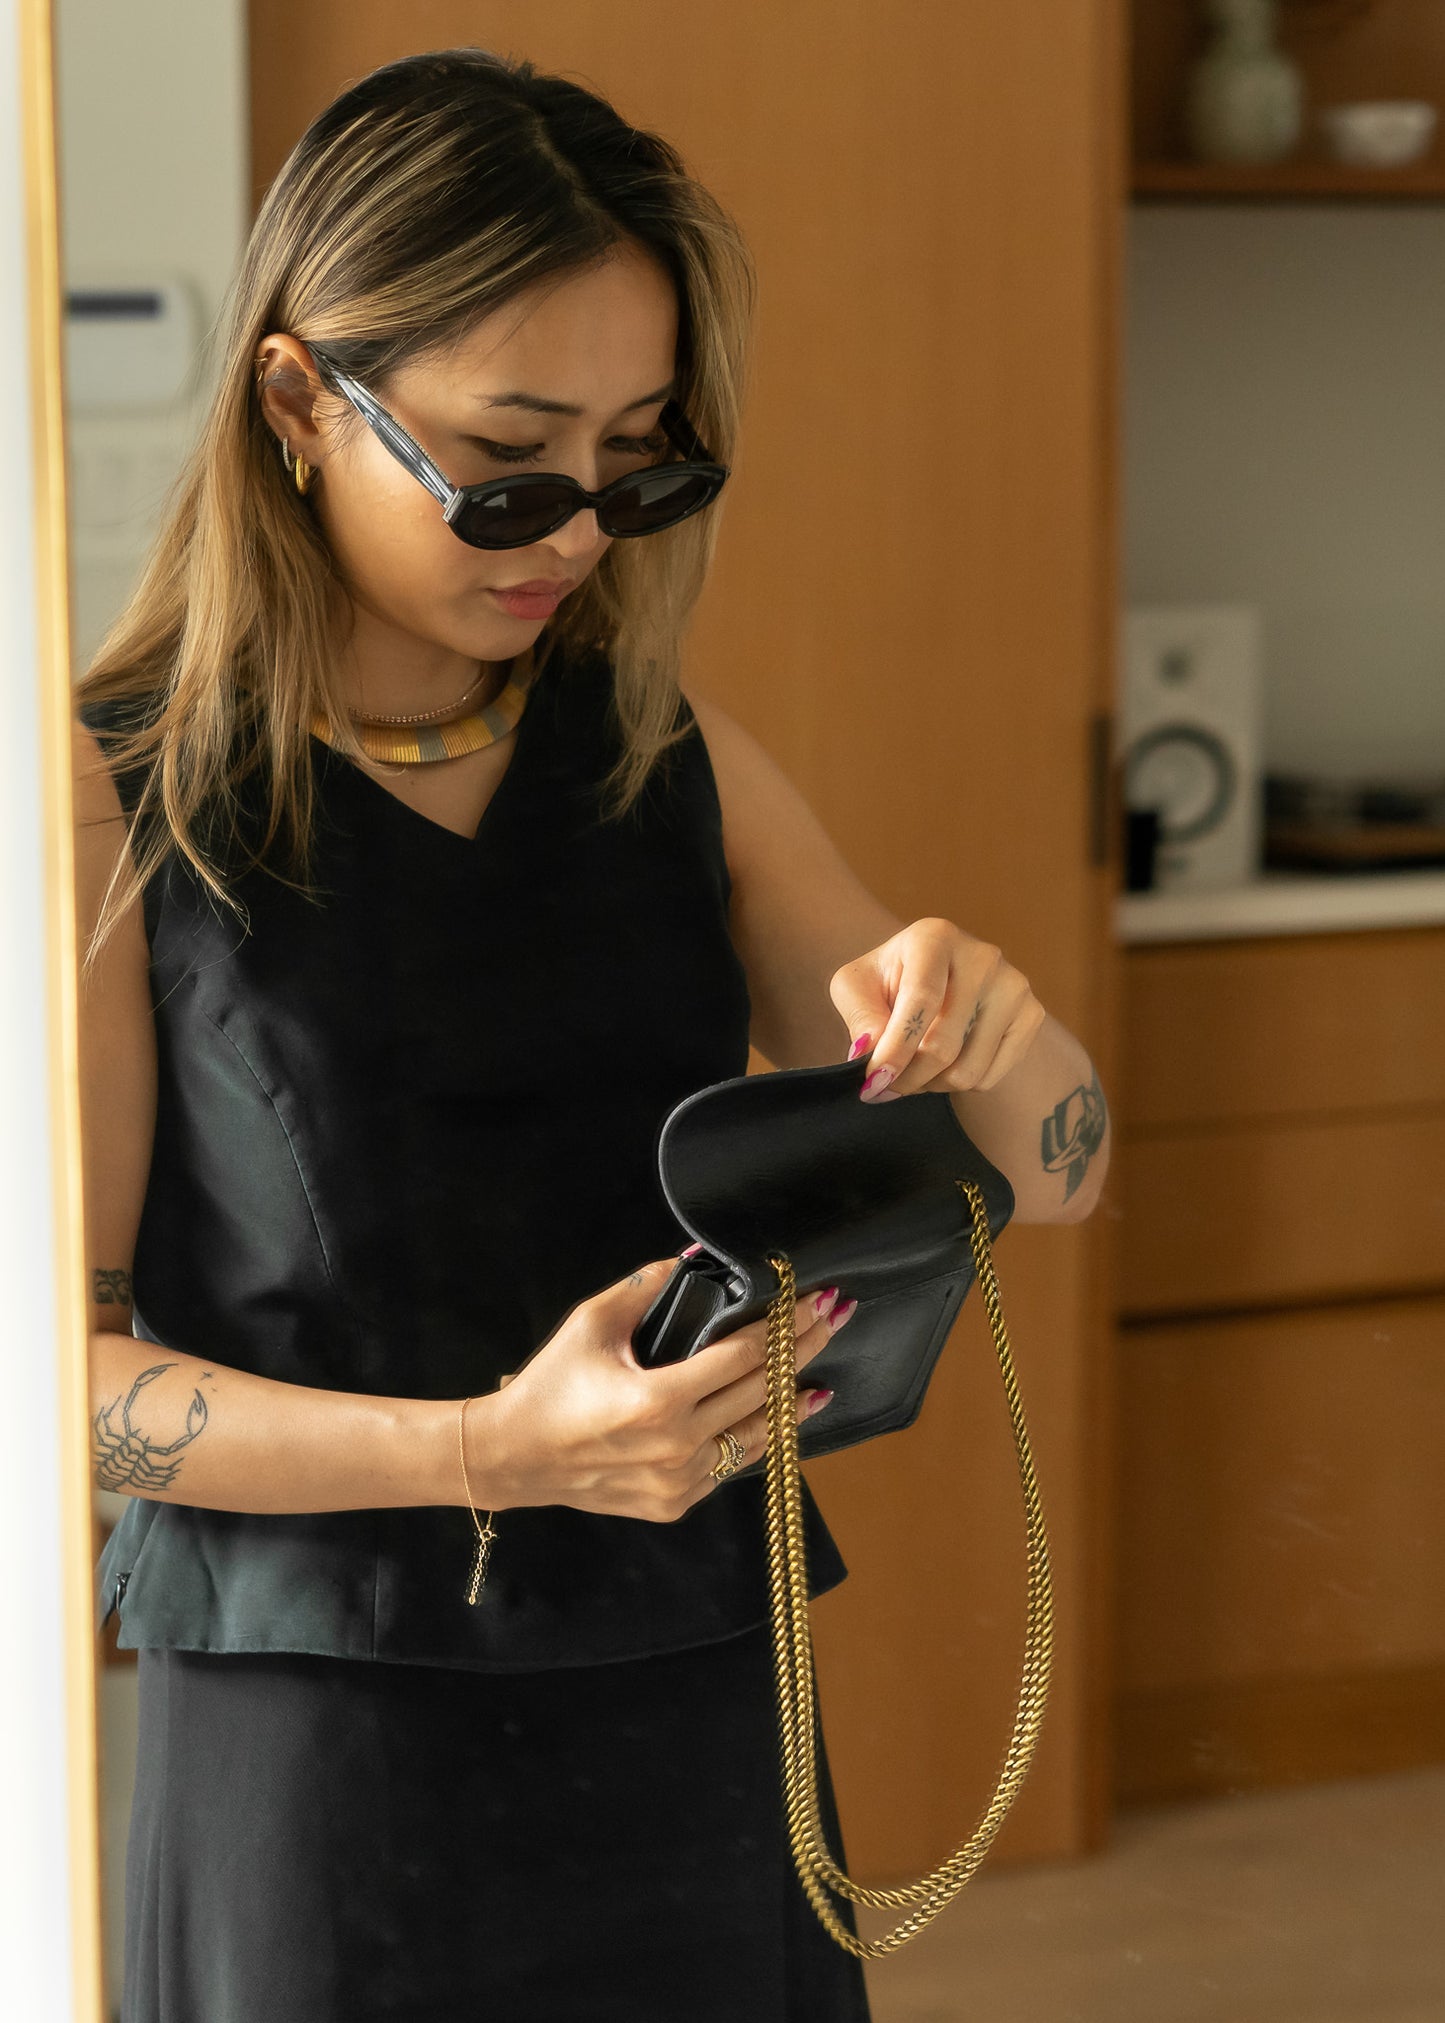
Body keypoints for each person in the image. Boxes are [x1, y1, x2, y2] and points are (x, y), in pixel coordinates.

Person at [73, 47, 1110, 2023]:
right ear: (300, 401)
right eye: (510, 458)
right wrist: (489, 1452)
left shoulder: (676, 762)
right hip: (323, 1730)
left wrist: (1004, 1032)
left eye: (642, 458)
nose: (575, 531)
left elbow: (1060, 1181)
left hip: (698, 1692)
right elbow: (62, 1391)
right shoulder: (116, 806)